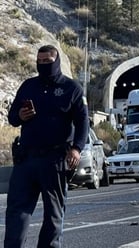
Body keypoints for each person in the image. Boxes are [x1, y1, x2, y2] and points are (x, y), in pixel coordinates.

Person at [5, 45, 89, 248]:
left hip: (55, 160)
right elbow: (13, 118)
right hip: (26, 160)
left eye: (48, 62)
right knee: (17, 212)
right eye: (40, 61)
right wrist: (20, 116)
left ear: (57, 61)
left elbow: (83, 122)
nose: (43, 65)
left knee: (53, 213)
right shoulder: (28, 86)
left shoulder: (72, 88)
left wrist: (76, 148)